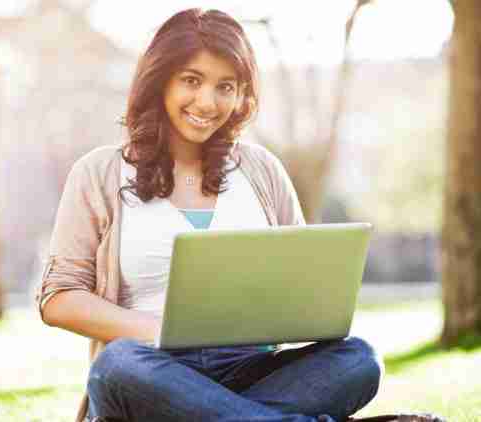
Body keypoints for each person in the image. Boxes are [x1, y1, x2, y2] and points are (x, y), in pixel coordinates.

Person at [37, 8, 386, 422]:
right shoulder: (100, 172)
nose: (208, 101)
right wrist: (159, 329)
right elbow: (58, 299)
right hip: (152, 370)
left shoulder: (261, 171)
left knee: (358, 359)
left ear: (241, 95)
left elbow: (299, 283)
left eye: (226, 86)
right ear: (160, 80)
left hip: (249, 372)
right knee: (117, 365)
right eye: (191, 81)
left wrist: (306, 312)